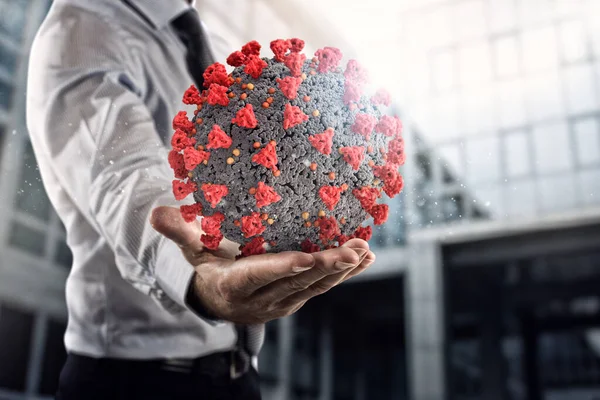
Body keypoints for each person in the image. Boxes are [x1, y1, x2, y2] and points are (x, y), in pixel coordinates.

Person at [26, 0, 376, 399]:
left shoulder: (212, 39)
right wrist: (196, 275)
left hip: (237, 376)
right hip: (135, 384)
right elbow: (122, 180)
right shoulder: (81, 29)